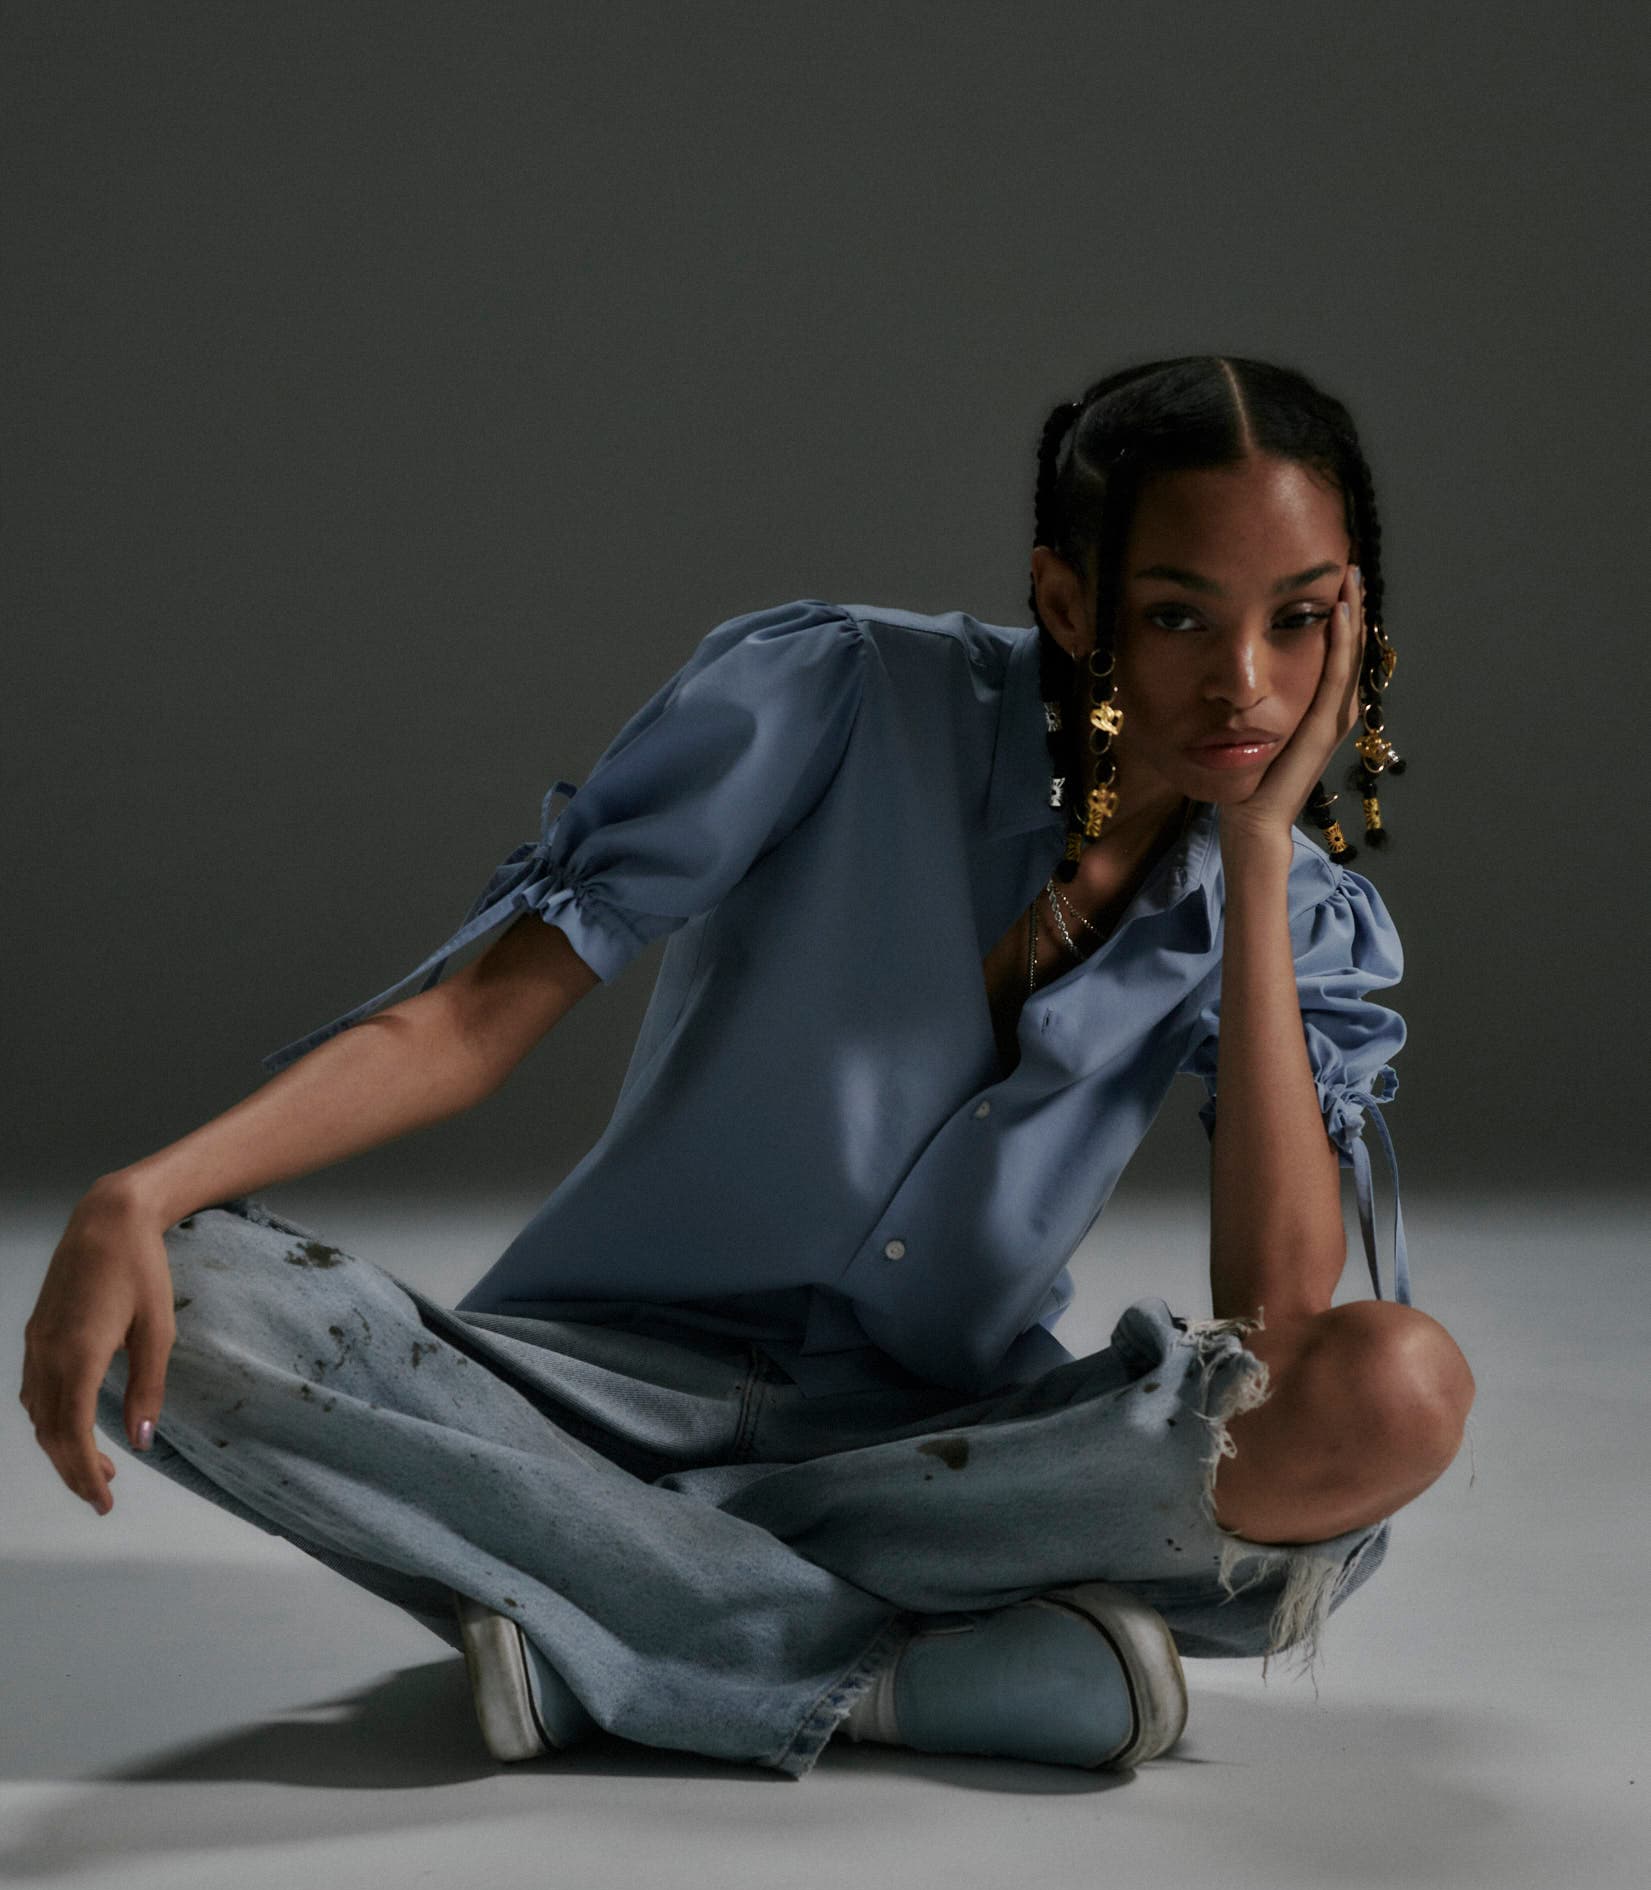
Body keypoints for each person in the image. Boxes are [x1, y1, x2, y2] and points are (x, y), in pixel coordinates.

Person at [20, 354, 1476, 1781]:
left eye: (1300, 622)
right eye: (1175, 616)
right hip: (580, 1411)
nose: (1246, 683)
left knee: (1387, 1398)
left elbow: (1275, 1325)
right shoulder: (837, 694)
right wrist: (142, 1194)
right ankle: (880, 1672)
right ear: (1066, 603)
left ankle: (607, 1615)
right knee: (184, 1293)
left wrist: (1260, 859)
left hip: (945, 1459)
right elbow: (470, 1026)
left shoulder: (1294, 912)